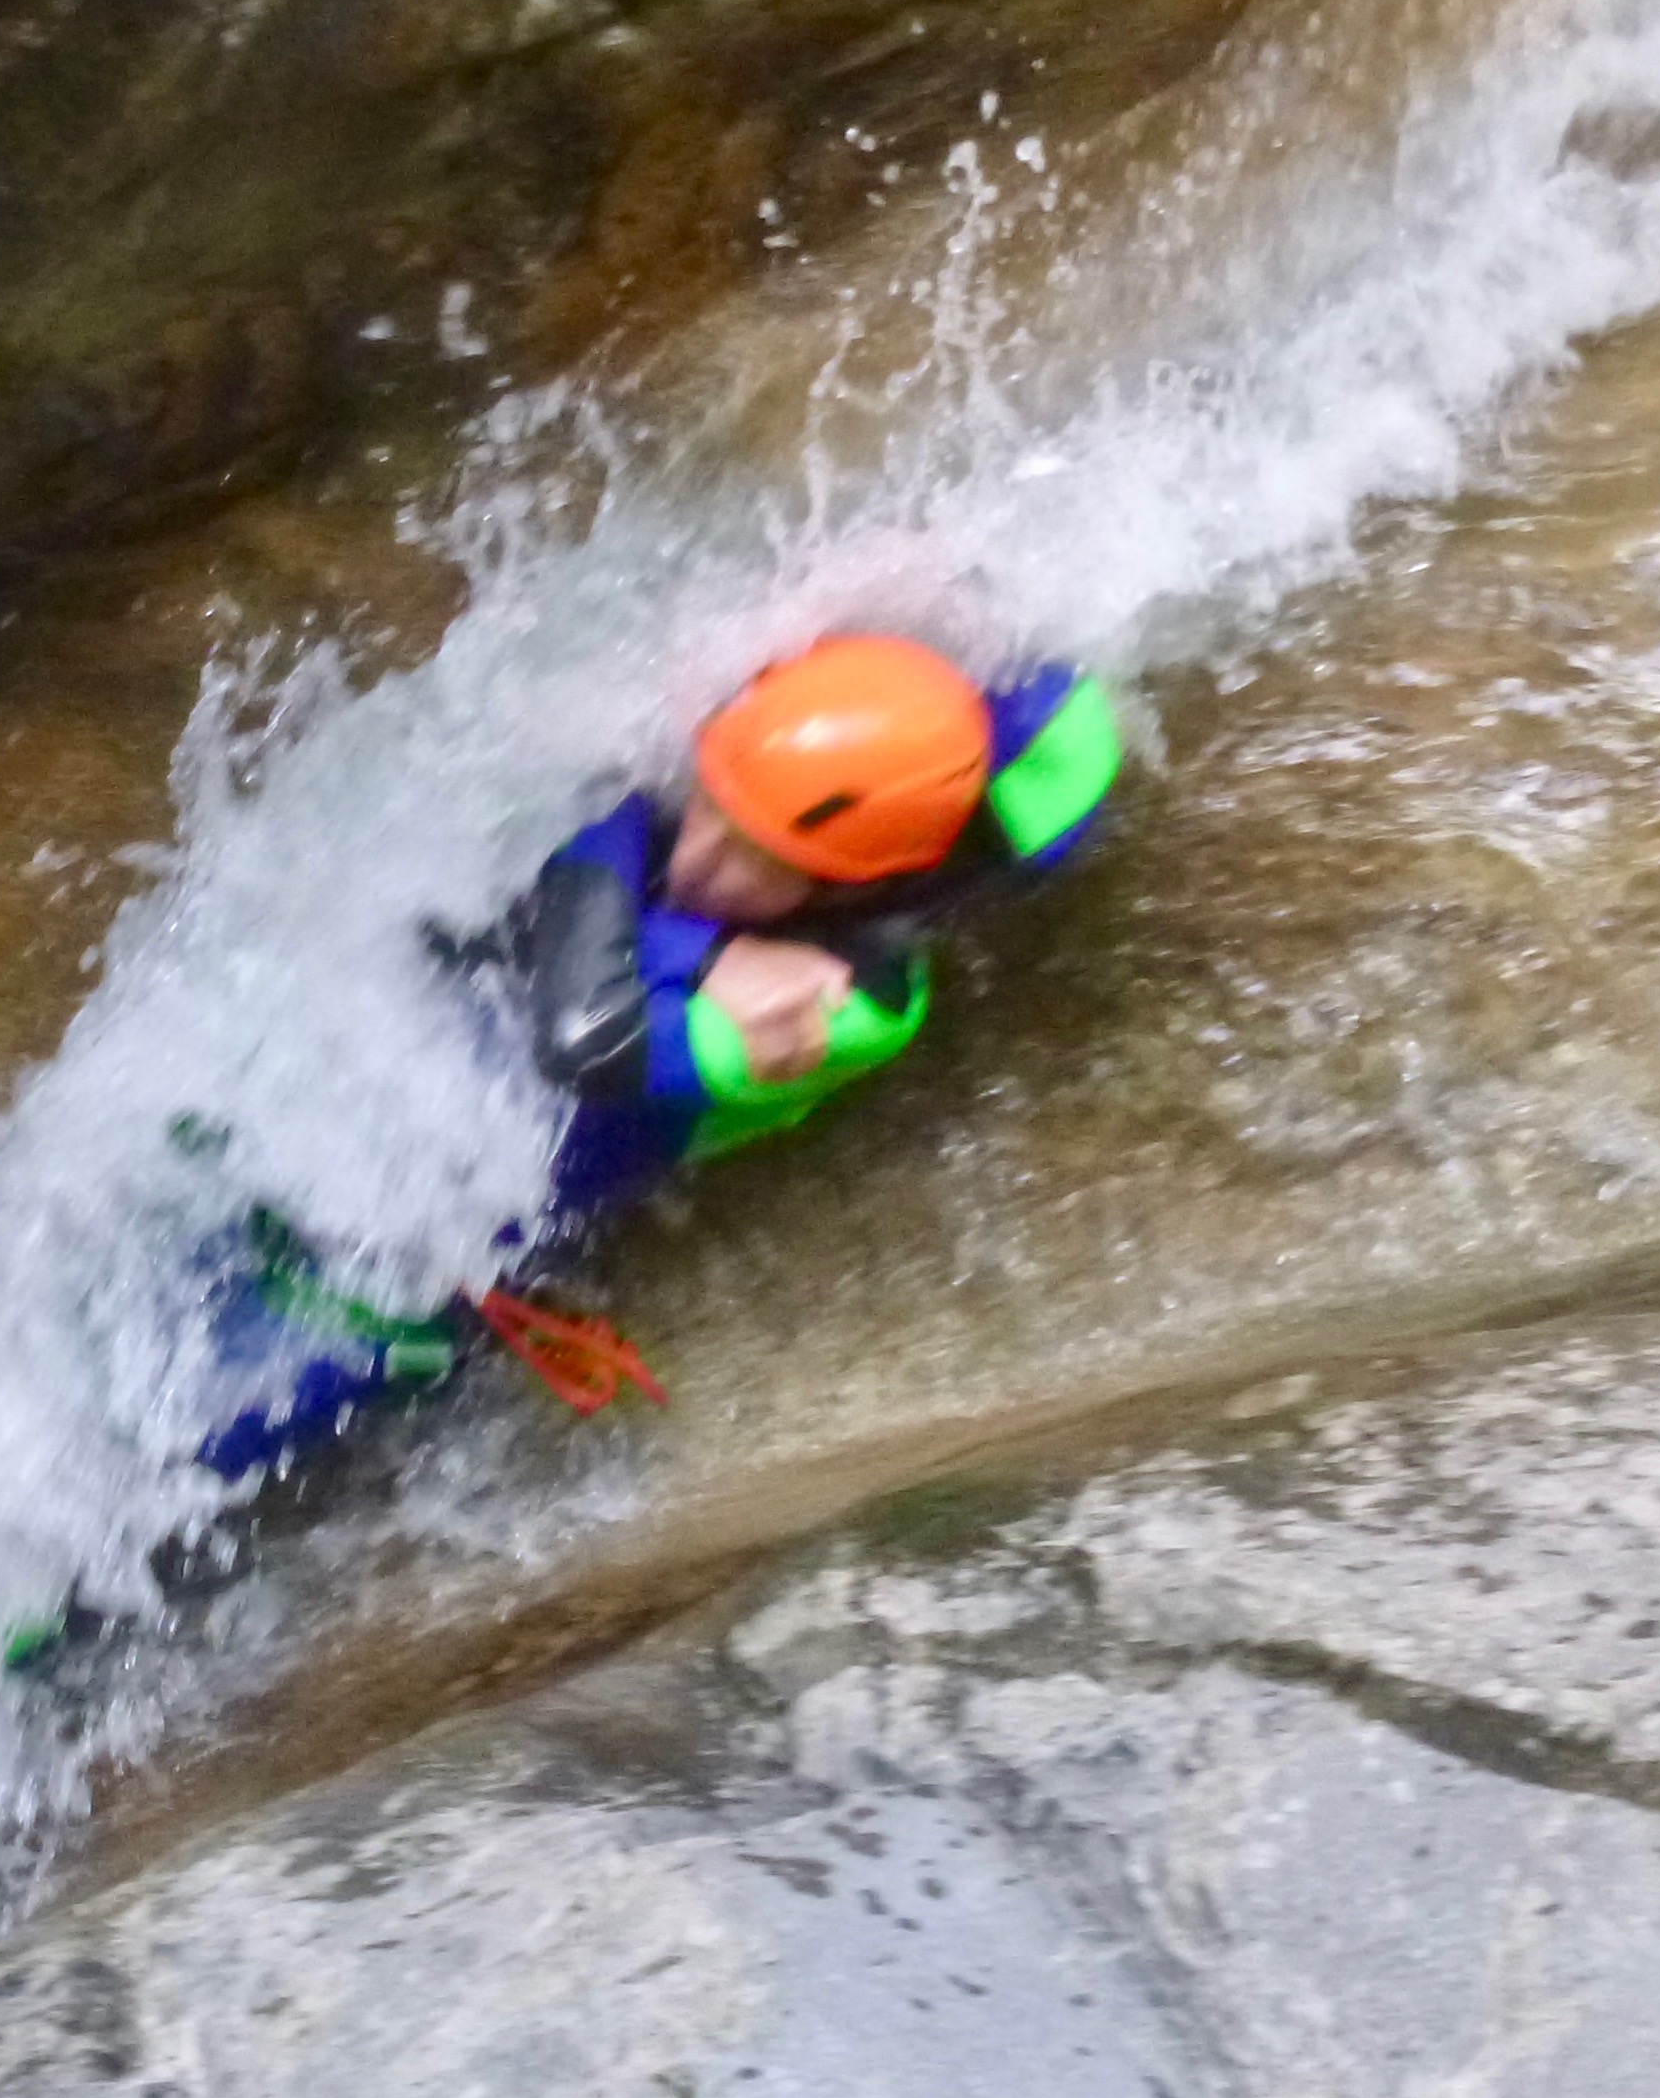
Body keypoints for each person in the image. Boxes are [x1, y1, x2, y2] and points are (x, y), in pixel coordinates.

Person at [186, 632, 1123, 1483]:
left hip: (392, 1257)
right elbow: (1061, 717)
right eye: (710, 804)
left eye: (755, 858)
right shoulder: (785, 769)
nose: (700, 860)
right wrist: (704, 947)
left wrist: (624, 835)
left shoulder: (854, 1004)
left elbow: (584, 1034)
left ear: (854, 879)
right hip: (321, 1092)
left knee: (117, 1506)